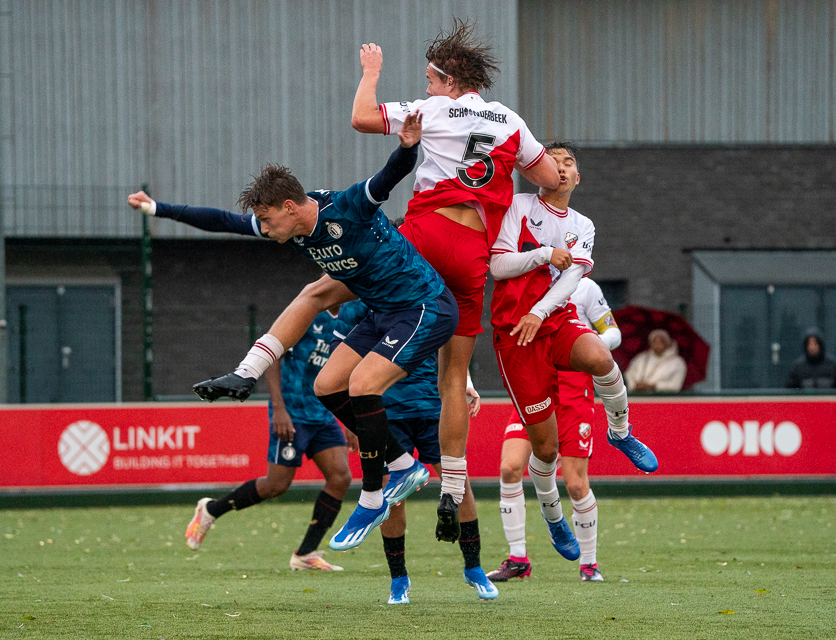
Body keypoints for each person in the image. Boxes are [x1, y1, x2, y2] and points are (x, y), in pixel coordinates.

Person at [190, 116, 483, 588]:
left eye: (267, 220)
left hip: (423, 306)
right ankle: (403, 466)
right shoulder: (297, 229)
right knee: (325, 383)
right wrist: (247, 373)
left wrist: (408, 148)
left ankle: (374, 494)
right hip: (383, 313)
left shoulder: (343, 208)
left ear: (288, 206)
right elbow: (229, 228)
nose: (264, 229)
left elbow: (386, 180)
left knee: (362, 384)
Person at [349, 18, 560, 543]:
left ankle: (275, 357)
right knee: (454, 380)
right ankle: (452, 486)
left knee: (337, 284)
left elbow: (359, 118)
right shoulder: (510, 119)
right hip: (472, 252)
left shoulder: (433, 110)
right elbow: (550, 179)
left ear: (448, 81)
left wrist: (371, 72)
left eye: (429, 79)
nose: (424, 88)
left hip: (425, 232)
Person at [125, 195, 353, 571]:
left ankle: (306, 554)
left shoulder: (356, 316)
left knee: (340, 477)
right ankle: (211, 509)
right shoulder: (309, 308)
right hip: (292, 410)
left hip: (323, 411)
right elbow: (275, 353)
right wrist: (278, 408)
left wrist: (349, 420)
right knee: (276, 486)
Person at [488, 141, 658, 562]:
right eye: (553, 161)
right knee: (544, 452)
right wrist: (545, 254)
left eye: (569, 163)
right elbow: (498, 267)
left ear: (577, 178)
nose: (561, 168)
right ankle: (551, 517)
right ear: (537, 170)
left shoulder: (583, 224)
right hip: (516, 334)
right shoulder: (519, 205)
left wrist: (542, 309)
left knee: (602, 358)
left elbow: (573, 278)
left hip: (553, 320)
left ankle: (620, 431)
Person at [334, 300, 496, 602]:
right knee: (391, 497)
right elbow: (341, 361)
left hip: (433, 407)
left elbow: (451, 343)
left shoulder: (422, 290)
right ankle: (399, 579)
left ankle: (474, 568)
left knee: (459, 485)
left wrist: (467, 382)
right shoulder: (356, 305)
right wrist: (351, 419)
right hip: (386, 413)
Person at [487, 277, 622, 584]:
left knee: (575, 484)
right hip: (533, 385)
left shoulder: (586, 288)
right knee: (509, 468)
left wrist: (592, 342)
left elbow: (612, 331)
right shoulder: (526, 282)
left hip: (574, 392)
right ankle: (518, 557)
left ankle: (589, 563)